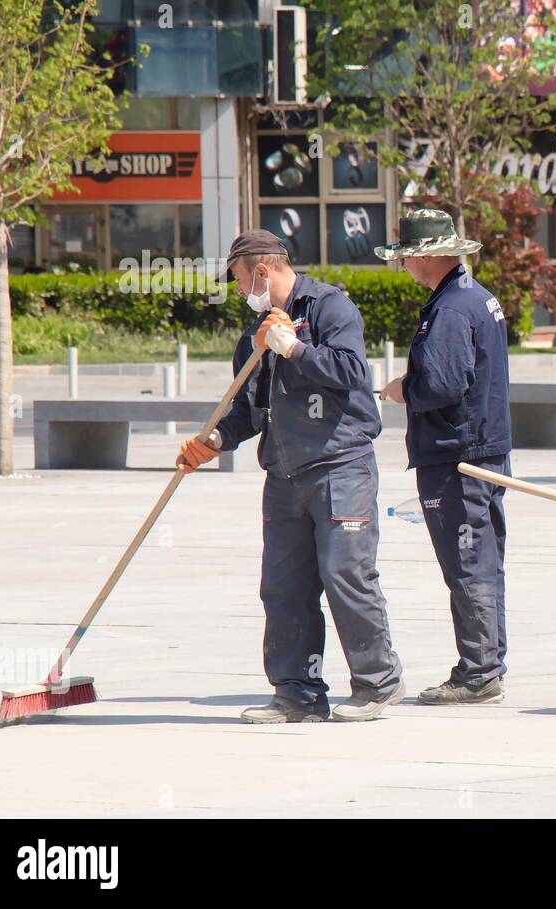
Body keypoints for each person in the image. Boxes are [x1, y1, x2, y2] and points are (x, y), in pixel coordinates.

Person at [175, 229, 404, 723]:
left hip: (340, 466)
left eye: (239, 279)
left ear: (260, 270)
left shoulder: (329, 308)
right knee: (284, 586)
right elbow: (246, 409)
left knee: (346, 575)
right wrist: (213, 441)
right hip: (283, 472)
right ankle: (297, 692)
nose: (239, 290)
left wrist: (294, 348)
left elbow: (349, 374)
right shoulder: (256, 334)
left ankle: (377, 683)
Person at [377, 209, 512, 706]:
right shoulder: (475, 298)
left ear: (427, 255)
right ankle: (485, 665)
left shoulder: (452, 309)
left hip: (459, 456)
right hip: (482, 449)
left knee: (469, 561)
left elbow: (442, 384)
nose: (405, 266)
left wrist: (401, 389)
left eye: (408, 257)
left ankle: (478, 673)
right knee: (483, 559)